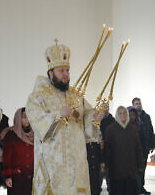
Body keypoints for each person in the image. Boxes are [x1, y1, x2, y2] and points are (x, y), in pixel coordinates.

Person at [26, 41, 103, 194]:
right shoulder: (38, 95)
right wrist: (58, 115)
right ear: (50, 73)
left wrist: (95, 118)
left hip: (76, 164)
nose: (66, 74)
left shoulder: (75, 95)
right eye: (61, 71)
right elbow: (37, 121)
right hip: (53, 164)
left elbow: (87, 119)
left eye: (67, 70)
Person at [105, 106, 143, 195]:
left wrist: (140, 164)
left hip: (131, 169)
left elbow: (138, 148)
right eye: (120, 113)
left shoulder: (133, 129)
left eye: (124, 112)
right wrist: (105, 164)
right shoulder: (110, 129)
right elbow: (107, 149)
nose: (123, 115)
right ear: (117, 115)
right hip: (116, 170)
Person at [1, 107, 34, 195]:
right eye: (24, 117)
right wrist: (8, 176)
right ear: (18, 118)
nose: (27, 120)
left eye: (28, 116)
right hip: (16, 177)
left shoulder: (34, 134)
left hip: (31, 177)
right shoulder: (11, 135)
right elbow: (6, 157)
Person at [132, 97, 154, 195]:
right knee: (135, 169)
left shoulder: (146, 116)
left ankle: (141, 187)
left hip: (144, 147)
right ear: (133, 105)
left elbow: (150, 130)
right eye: (136, 103)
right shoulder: (131, 117)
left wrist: (152, 144)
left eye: (139, 103)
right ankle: (135, 188)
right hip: (134, 148)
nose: (138, 105)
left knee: (143, 168)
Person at [99, 104, 115, 194]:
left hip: (109, 153)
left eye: (106, 107)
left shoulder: (112, 121)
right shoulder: (97, 120)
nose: (105, 110)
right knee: (98, 179)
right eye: (103, 107)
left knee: (110, 179)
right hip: (99, 152)